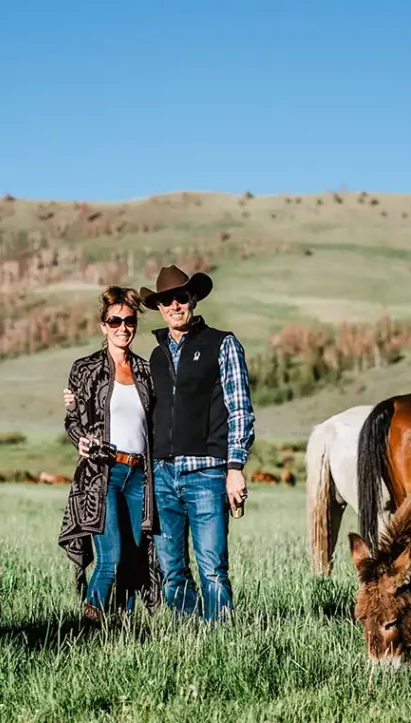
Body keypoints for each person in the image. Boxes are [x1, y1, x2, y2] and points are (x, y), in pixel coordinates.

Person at [140, 264, 255, 622]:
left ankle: (220, 642)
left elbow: (240, 408)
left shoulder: (223, 343)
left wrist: (235, 468)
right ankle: (190, 642)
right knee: (172, 573)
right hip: (162, 475)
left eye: (181, 297)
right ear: (158, 307)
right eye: (166, 300)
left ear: (193, 299)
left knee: (212, 569)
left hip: (206, 473)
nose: (175, 305)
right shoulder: (155, 357)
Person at [58, 285, 162, 625]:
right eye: (114, 321)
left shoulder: (147, 372)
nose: (122, 328)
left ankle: (123, 629)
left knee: (132, 561)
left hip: (139, 476)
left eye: (129, 321)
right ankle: (88, 628)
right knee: (110, 558)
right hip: (104, 473)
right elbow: (72, 420)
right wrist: (80, 441)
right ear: (103, 326)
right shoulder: (86, 369)